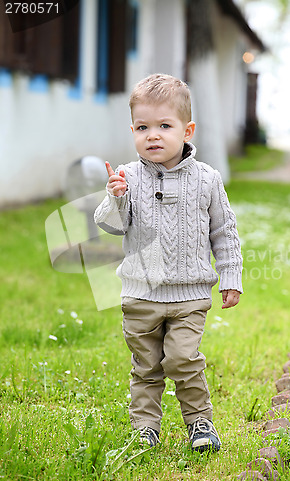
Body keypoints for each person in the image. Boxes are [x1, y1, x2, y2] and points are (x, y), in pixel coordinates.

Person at [94, 73, 243, 453]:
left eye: (164, 126)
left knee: (182, 358)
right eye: (143, 127)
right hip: (140, 295)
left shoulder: (208, 180)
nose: (153, 135)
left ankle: (200, 423)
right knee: (146, 366)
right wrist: (115, 198)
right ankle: (146, 427)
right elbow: (111, 226)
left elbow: (224, 232)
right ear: (132, 130)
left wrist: (231, 275)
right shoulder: (126, 177)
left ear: (187, 129)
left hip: (189, 295)